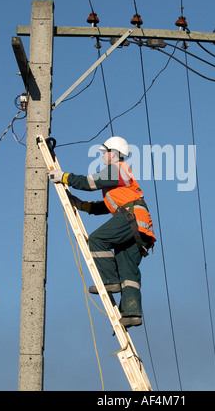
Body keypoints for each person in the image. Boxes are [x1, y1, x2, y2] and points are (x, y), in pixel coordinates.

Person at [48, 136, 156, 328]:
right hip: (141, 226)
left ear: (113, 154)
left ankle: (109, 280)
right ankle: (132, 313)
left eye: (104, 152)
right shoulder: (119, 178)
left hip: (132, 218)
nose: (103, 156)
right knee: (127, 267)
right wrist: (81, 205)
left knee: (97, 239)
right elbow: (106, 206)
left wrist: (64, 177)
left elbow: (90, 183)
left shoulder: (117, 169)